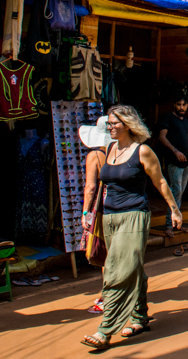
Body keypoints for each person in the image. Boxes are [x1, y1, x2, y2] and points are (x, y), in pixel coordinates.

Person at [81, 105, 182, 350]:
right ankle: (140, 317)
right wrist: (88, 213)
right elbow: (97, 187)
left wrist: (174, 209)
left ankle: (105, 330)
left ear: (127, 125)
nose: (110, 127)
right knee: (133, 267)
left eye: (114, 123)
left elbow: (159, 181)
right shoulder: (109, 149)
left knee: (117, 270)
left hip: (134, 216)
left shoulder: (143, 152)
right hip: (109, 219)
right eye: (109, 124)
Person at [156, 96, 188, 238]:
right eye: (179, 104)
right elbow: (162, 137)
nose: (181, 107)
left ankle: (177, 222)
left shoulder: (185, 121)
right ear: (174, 105)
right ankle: (169, 225)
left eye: (184, 105)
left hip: (186, 161)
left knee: (180, 193)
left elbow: (186, 139)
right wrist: (175, 150)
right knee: (175, 192)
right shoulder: (168, 118)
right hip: (173, 161)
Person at [80, 116, 111, 315]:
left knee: (104, 252)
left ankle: (107, 296)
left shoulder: (95, 156)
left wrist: (85, 212)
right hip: (121, 203)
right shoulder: (120, 151)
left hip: (103, 206)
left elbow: (91, 187)